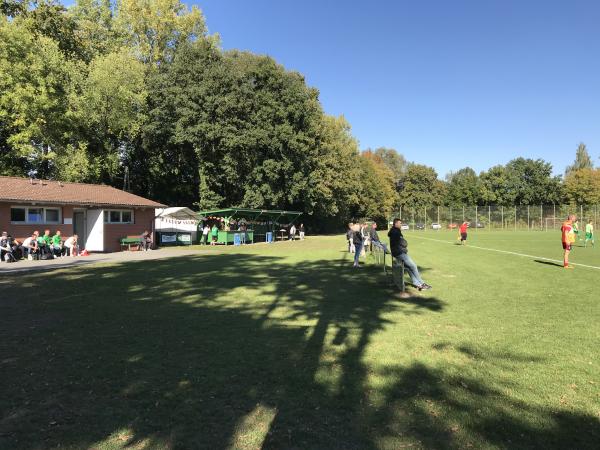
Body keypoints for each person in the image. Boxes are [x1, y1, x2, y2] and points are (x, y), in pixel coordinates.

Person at [388, 218, 431, 290]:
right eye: (400, 223)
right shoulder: (396, 232)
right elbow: (403, 243)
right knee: (414, 266)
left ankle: (417, 284)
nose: (401, 224)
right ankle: (422, 283)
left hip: (396, 252)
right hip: (400, 253)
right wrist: (404, 242)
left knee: (408, 267)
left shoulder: (393, 231)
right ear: (395, 224)